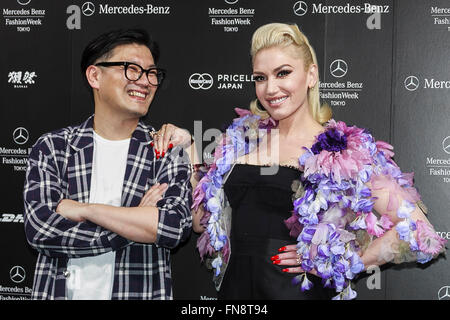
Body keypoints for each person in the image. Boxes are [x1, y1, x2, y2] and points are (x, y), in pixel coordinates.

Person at [151, 22, 446, 300]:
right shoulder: (242, 139)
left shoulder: (343, 151)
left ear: (311, 75)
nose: (270, 88)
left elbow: (424, 235)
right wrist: (189, 149)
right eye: (260, 78)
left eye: (283, 73)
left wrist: (340, 260)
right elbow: (204, 224)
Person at [23, 28, 192, 300]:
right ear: (95, 76)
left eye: (151, 73)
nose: (146, 81)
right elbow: (41, 230)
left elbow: (173, 226)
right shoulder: (53, 147)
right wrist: (132, 223)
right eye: (132, 69)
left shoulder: (165, 150)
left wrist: (84, 209)